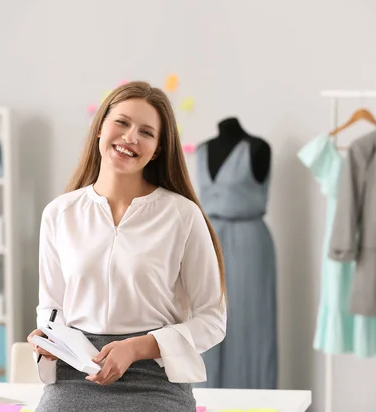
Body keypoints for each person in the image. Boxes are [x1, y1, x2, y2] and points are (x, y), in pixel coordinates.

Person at [26, 81, 227, 412]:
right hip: (75, 375)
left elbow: (211, 320)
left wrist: (138, 347)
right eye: (121, 122)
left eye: (146, 132)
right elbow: (51, 308)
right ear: (100, 128)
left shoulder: (182, 215)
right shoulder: (60, 213)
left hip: (155, 380)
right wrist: (47, 339)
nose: (131, 137)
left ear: (158, 149)